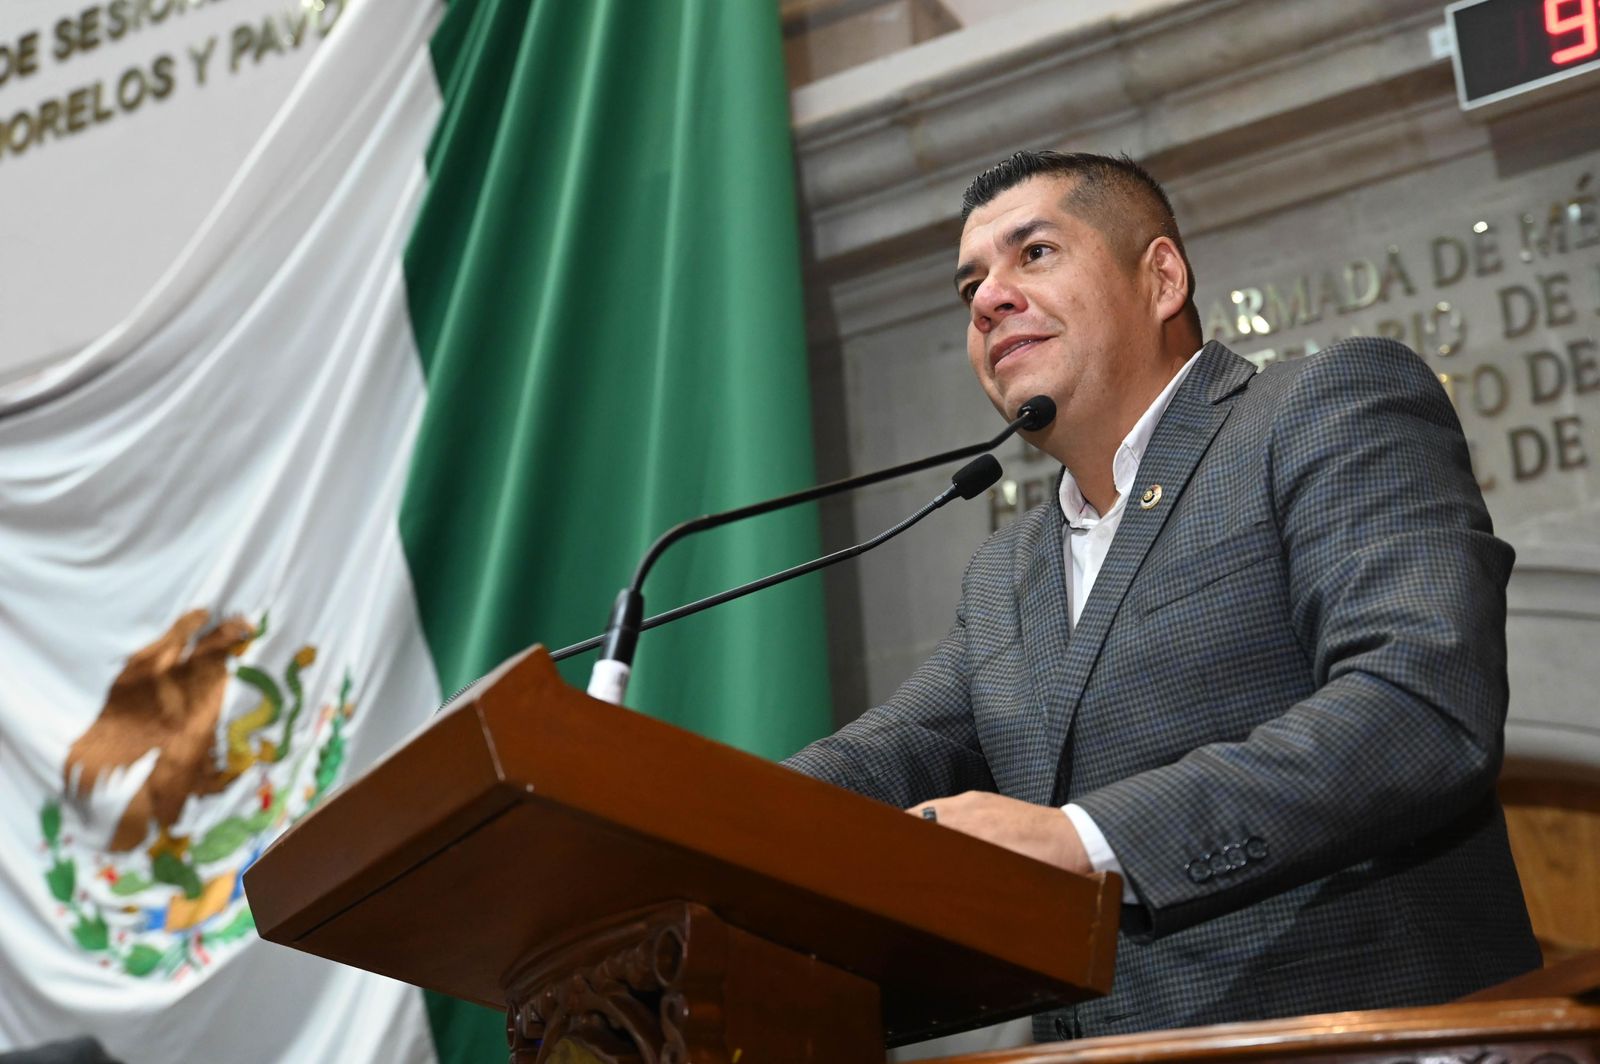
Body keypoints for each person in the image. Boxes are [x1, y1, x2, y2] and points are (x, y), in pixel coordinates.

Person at [783, 151, 1541, 1040]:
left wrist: (1080, 844)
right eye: (970, 285)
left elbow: (1420, 707)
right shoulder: (1006, 572)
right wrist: (700, 818)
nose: (988, 299)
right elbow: (894, 754)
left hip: (1357, 1039)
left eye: (1033, 253)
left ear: (1163, 279)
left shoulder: (1317, 408)